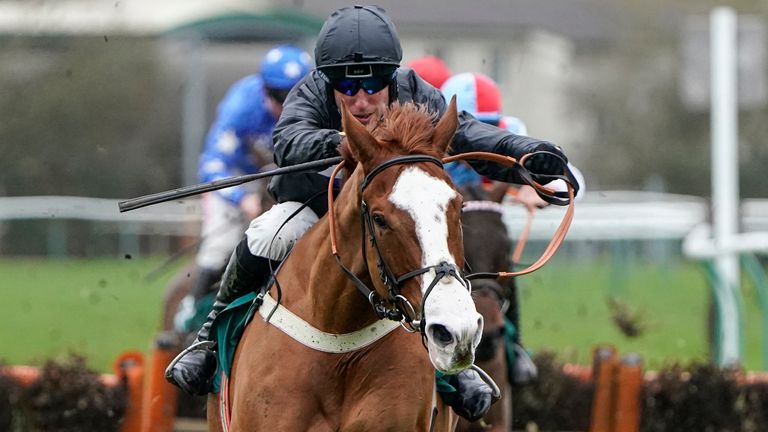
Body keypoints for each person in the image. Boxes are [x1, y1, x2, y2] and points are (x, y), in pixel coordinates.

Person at [167, 5, 574, 422]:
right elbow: (289, 142)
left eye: (374, 85)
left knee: (432, 239)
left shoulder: (413, 89)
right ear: (328, 80)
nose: (361, 100)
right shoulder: (309, 91)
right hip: (316, 206)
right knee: (265, 234)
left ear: (390, 77)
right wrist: (349, 141)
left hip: (388, 211)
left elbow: (467, 133)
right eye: (347, 86)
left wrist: (525, 154)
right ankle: (206, 343)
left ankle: (457, 368)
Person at [441, 71, 585, 384]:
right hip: (440, 234)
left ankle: (515, 346)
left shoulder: (512, 134)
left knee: (503, 271)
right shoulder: (429, 139)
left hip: (485, 235)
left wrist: (539, 191)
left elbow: (573, 182)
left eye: (487, 127)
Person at [171, 44, 312, 333]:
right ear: (264, 90)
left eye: (295, 95)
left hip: (283, 179)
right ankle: (192, 312)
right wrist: (241, 198)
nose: (286, 105)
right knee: (220, 247)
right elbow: (211, 166)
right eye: (279, 96)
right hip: (237, 179)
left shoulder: (315, 107)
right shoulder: (241, 109)